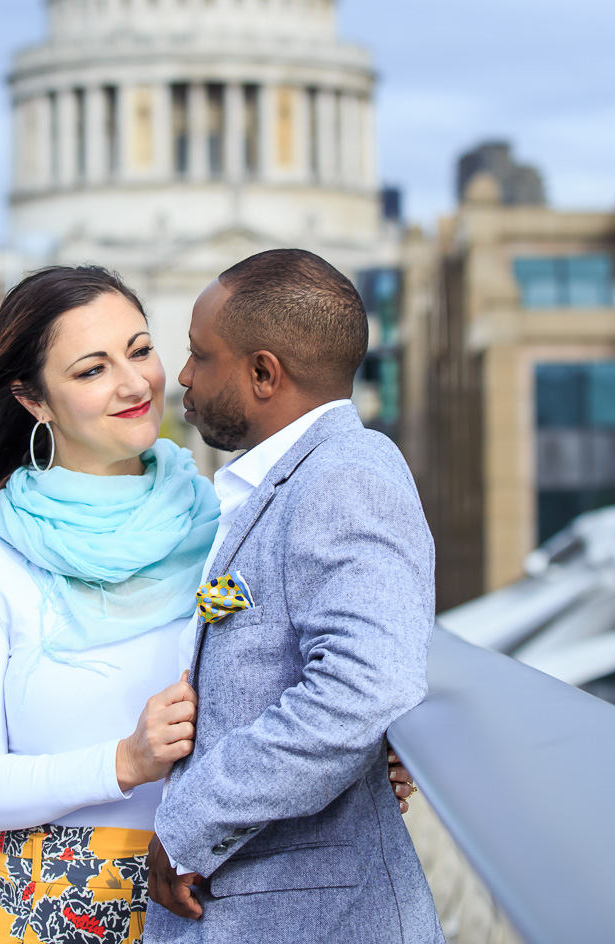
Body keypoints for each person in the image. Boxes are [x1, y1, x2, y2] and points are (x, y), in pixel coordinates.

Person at [0, 266, 214, 944]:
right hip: (47, 912)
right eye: (92, 370)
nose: (133, 383)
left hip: (216, 907)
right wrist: (125, 761)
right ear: (35, 401)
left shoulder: (227, 528)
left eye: (140, 350)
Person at [143, 249, 444, 943]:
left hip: (310, 917)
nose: (183, 377)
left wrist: (190, 824)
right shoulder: (291, 483)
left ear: (263, 373)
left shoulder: (347, 479)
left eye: (199, 355)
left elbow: (364, 688)